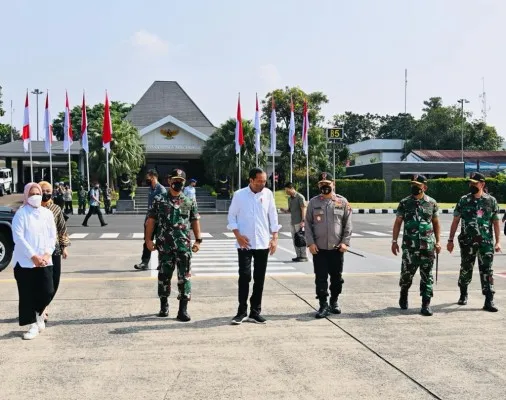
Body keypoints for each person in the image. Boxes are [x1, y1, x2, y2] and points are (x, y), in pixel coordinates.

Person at [145, 168, 202, 322]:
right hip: (165, 247)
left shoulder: (188, 201)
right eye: (175, 180)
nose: (177, 183)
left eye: (180, 181)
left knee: (185, 277)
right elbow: (151, 220)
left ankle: (182, 310)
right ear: (169, 181)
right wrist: (148, 240)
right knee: (164, 276)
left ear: (184, 183)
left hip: (183, 247)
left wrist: (198, 240)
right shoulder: (159, 199)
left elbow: (195, 220)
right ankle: (164, 305)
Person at [227, 167, 280, 325]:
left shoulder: (268, 194)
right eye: (259, 181)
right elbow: (231, 216)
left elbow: (273, 216)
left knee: (259, 278)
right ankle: (241, 311)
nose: (262, 184)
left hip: (263, 242)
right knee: (244, 277)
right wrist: (238, 235)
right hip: (245, 243)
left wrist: (274, 238)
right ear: (250, 180)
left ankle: (255, 312)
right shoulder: (239, 195)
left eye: (264, 181)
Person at [447, 172, 501, 312]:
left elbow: (496, 223)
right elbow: (455, 221)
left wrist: (498, 242)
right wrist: (450, 240)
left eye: (474, 183)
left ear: (482, 184)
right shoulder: (463, 200)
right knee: (466, 268)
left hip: (486, 243)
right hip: (467, 242)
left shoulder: (491, 201)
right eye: (470, 183)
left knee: (487, 271)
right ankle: (463, 294)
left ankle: (489, 299)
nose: (471, 185)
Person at [391, 175, 441, 316]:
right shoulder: (405, 203)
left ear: (424, 187)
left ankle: (426, 304)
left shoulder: (432, 203)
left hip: (428, 247)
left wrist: (438, 242)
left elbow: (436, 223)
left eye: (417, 185)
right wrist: (394, 241)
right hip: (410, 247)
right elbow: (398, 223)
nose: (414, 187)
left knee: (427, 277)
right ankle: (404, 293)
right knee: (406, 275)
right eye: (412, 184)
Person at [12, 183, 57, 340]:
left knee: (47, 291)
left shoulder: (47, 214)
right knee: (28, 294)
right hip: (26, 263)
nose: (36, 196)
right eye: (32, 194)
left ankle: (39, 316)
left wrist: (46, 255)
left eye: (38, 193)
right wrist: (33, 257)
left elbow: (52, 236)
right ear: (26, 196)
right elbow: (18, 238)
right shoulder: (21, 214)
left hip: (45, 261)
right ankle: (33, 324)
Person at [305, 172, 352, 318]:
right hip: (318, 249)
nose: (324, 186)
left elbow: (348, 224)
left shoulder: (342, 202)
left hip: (336, 249)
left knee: (336, 278)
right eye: (321, 184)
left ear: (333, 184)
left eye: (327, 183)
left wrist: (345, 243)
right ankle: (323, 305)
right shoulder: (313, 202)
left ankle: (334, 301)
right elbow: (307, 224)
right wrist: (310, 243)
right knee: (320, 278)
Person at [39, 181, 71, 322]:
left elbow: (61, 229)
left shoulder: (56, 209)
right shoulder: (32, 208)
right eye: (42, 191)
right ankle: (42, 308)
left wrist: (64, 247)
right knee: (42, 280)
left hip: (55, 249)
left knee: (54, 281)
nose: (46, 194)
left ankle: (44, 303)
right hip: (38, 251)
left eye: (48, 191)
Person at [134, 170, 167, 270]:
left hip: (159, 219)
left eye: (148, 177)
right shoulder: (150, 188)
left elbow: (164, 206)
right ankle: (144, 262)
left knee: (160, 242)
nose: (147, 179)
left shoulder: (161, 189)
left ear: (153, 177)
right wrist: (148, 219)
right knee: (147, 240)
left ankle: (162, 263)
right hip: (149, 219)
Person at [282, 182, 308, 262]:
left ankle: (303, 256)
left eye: (287, 190)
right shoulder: (289, 199)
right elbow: (290, 210)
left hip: (299, 222)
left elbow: (303, 209)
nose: (286, 192)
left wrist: (303, 221)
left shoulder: (300, 197)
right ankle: (298, 255)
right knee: (295, 239)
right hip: (292, 222)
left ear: (291, 188)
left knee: (301, 239)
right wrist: (285, 210)